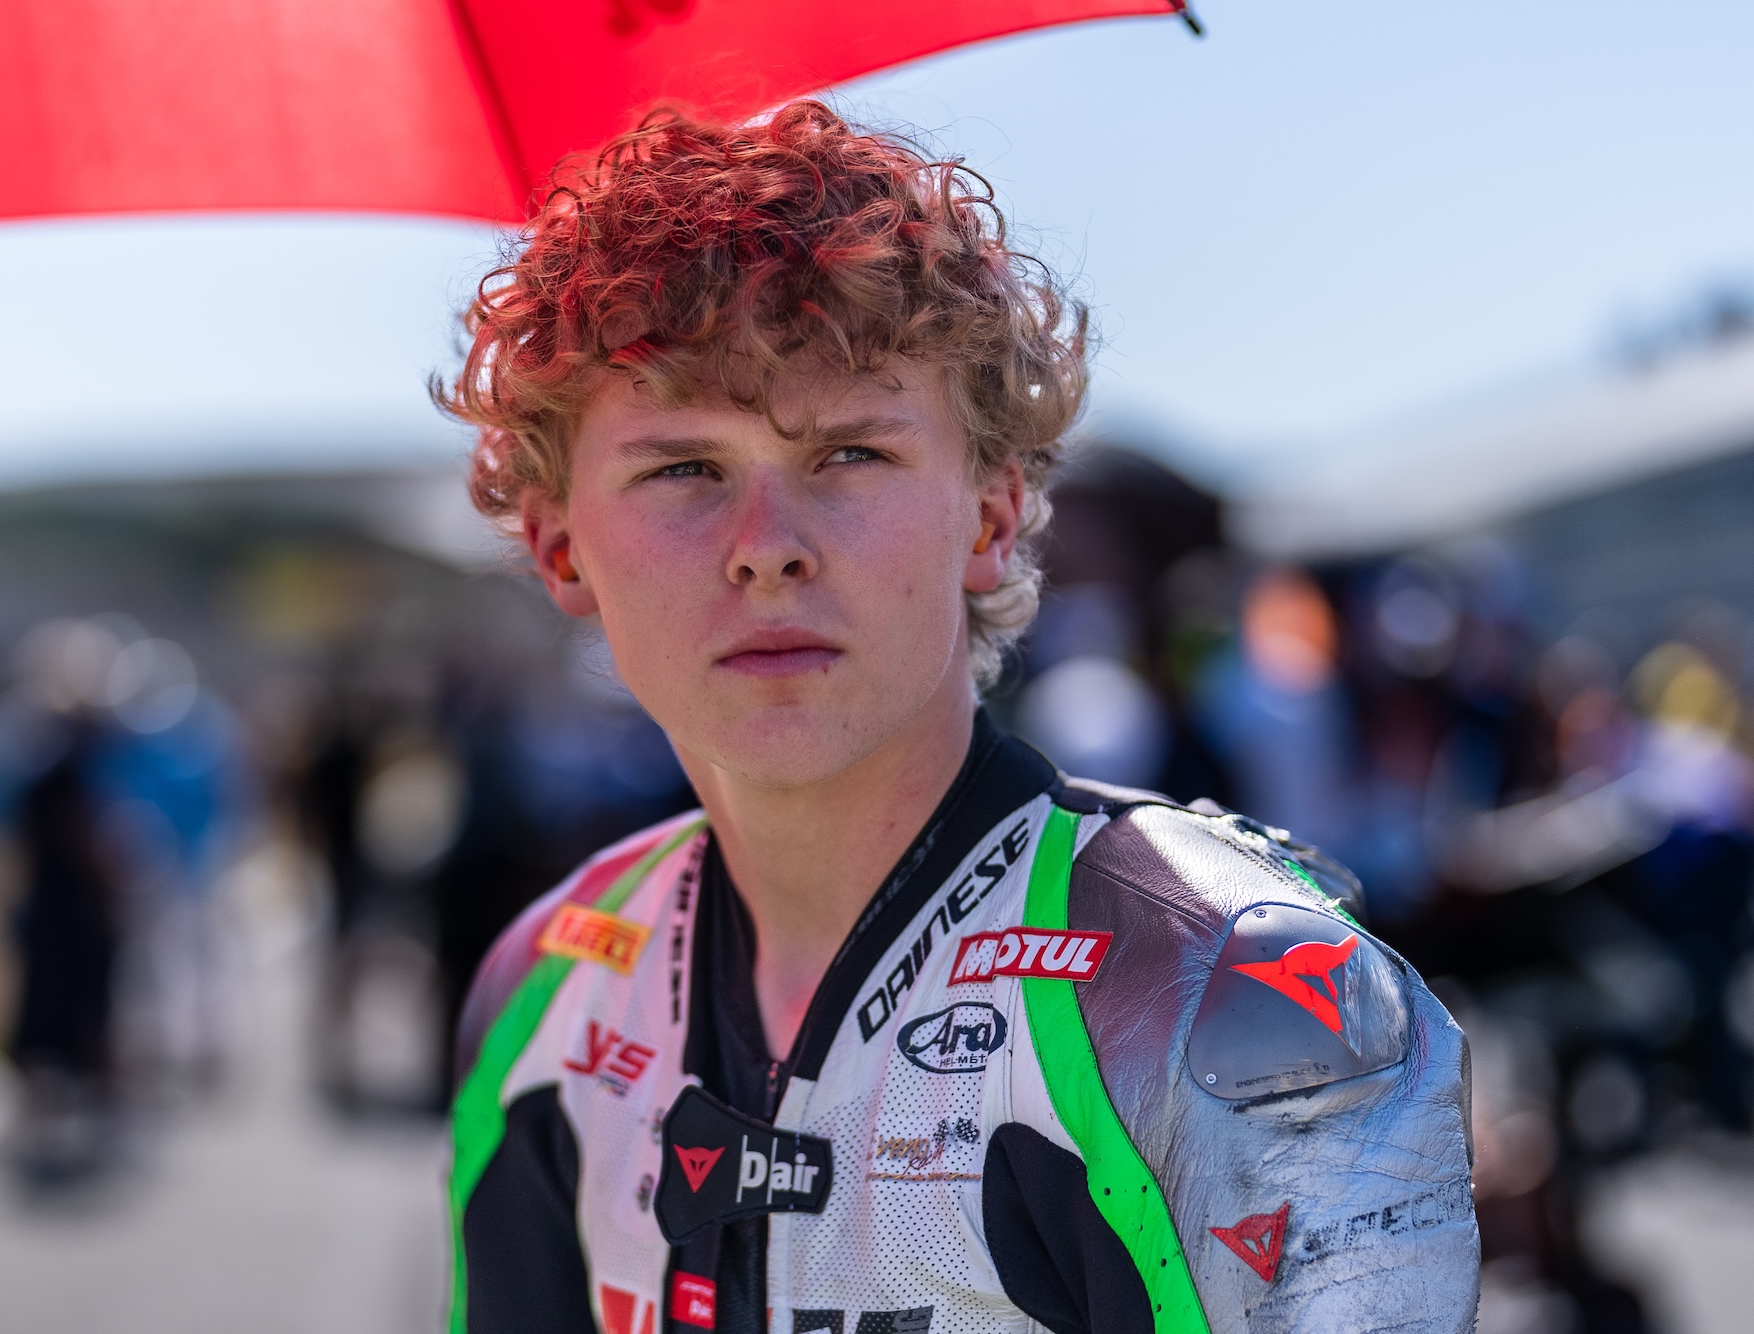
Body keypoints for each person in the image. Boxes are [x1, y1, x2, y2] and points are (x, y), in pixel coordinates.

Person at [440, 102, 1477, 1334]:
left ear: (987, 516)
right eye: (682, 468)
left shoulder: (1221, 989)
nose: (766, 547)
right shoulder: (547, 988)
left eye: (848, 454)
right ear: (559, 544)